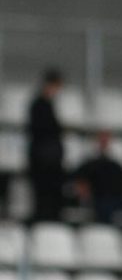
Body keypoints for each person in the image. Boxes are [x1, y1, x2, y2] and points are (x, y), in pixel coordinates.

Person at [71, 132, 122, 227]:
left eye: (106, 141)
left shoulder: (115, 164)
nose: (104, 144)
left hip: (118, 199)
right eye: (102, 141)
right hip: (98, 200)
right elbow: (78, 180)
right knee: (105, 208)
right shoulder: (89, 163)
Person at [26, 71, 68, 225]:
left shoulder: (46, 104)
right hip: (44, 161)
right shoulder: (39, 105)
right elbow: (43, 132)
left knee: (50, 198)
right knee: (43, 198)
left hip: (48, 160)